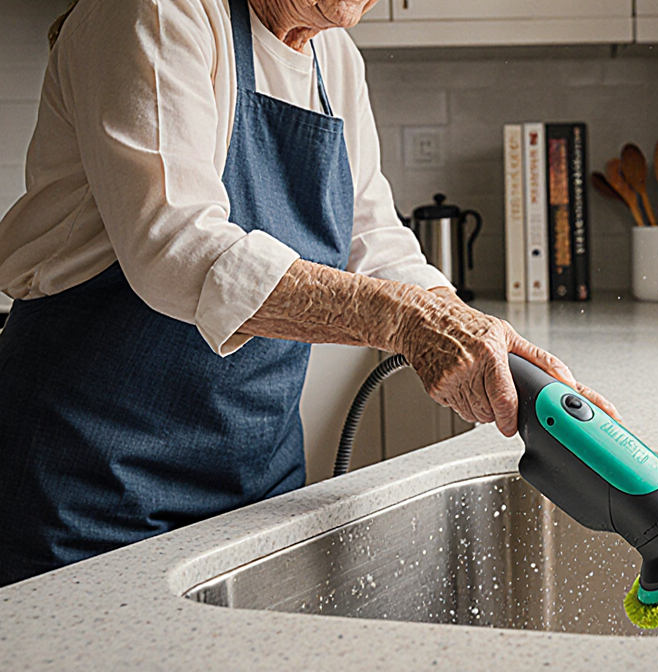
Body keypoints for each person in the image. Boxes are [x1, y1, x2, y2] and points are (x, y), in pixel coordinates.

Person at [0, 0, 616, 587]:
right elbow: (175, 246)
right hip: (91, 474)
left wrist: (492, 351)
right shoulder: (160, 12)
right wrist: (405, 320)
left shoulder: (336, 59)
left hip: (256, 474)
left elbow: (374, 239)